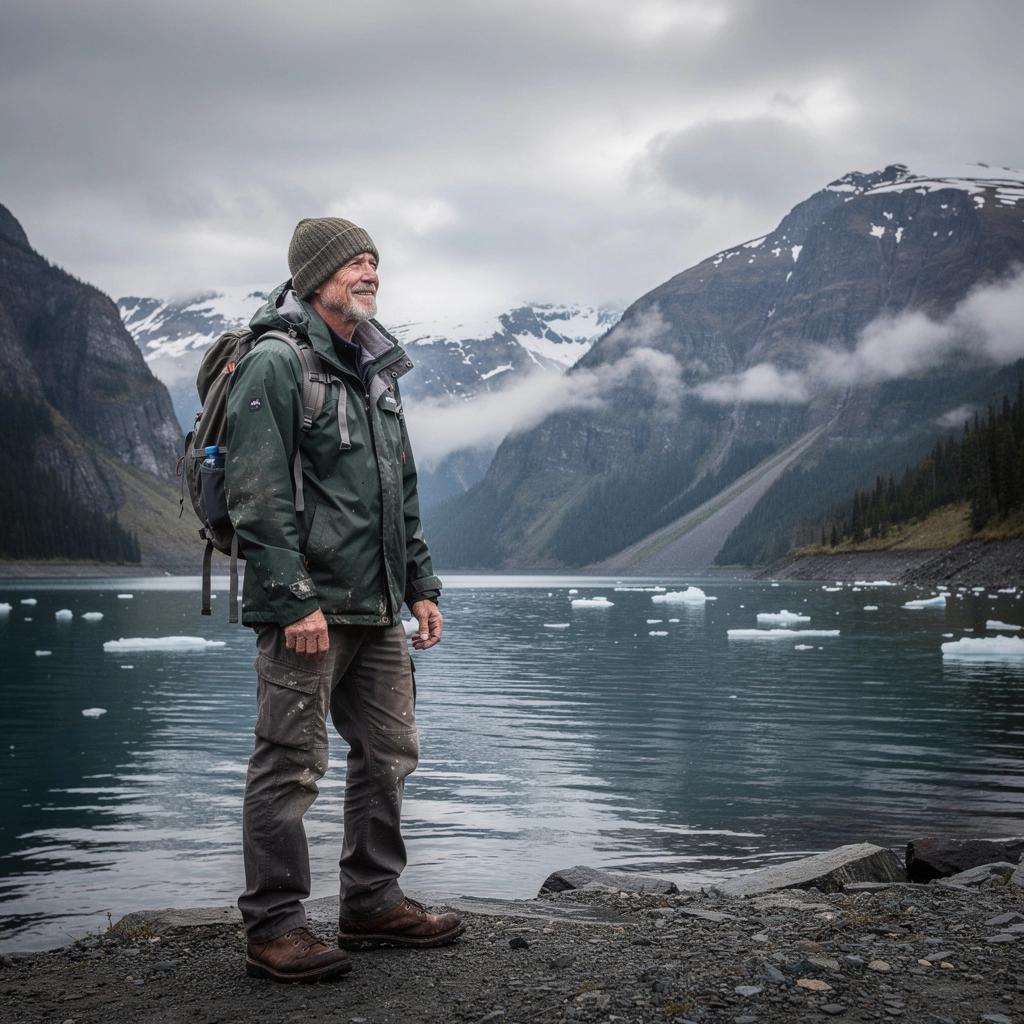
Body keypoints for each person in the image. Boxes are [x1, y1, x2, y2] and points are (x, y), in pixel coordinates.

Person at [225, 216, 463, 983]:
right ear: (316, 276)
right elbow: (256, 494)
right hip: (307, 611)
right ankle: (275, 927)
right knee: (290, 766)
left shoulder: (377, 369)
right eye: (355, 263)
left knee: (391, 753)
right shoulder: (276, 362)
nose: (371, 273)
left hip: (378, 606)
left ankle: (371, 901)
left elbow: (402, 491)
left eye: (375, 263)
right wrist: (295, 600)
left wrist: (421, 586)